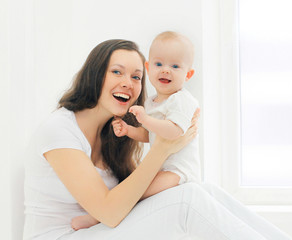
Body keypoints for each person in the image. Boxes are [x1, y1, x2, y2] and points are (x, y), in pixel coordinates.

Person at [23, 39, 292, 240]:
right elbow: (109, 211)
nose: (128, 82)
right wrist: (162, 149)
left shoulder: (115, 133)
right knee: (187, 202)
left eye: (137, 76)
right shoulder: (59, 130)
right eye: (117, 72)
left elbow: (127, 200)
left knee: (202, 191)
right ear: (95, 75)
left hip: (97, 230)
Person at [71, 31, 201, 231]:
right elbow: (151, 136)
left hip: (180, 172)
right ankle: (99, 215)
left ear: (188, 74)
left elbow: (174, 132)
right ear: (149, 68)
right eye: (159, 64)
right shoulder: (152, 102)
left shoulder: (181, 100)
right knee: (134, 191)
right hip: (164, 168)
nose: (166, 70)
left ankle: (95, 217)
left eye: (175, 66)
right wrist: (130, 131)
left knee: (137, 193)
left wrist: (145, 120)